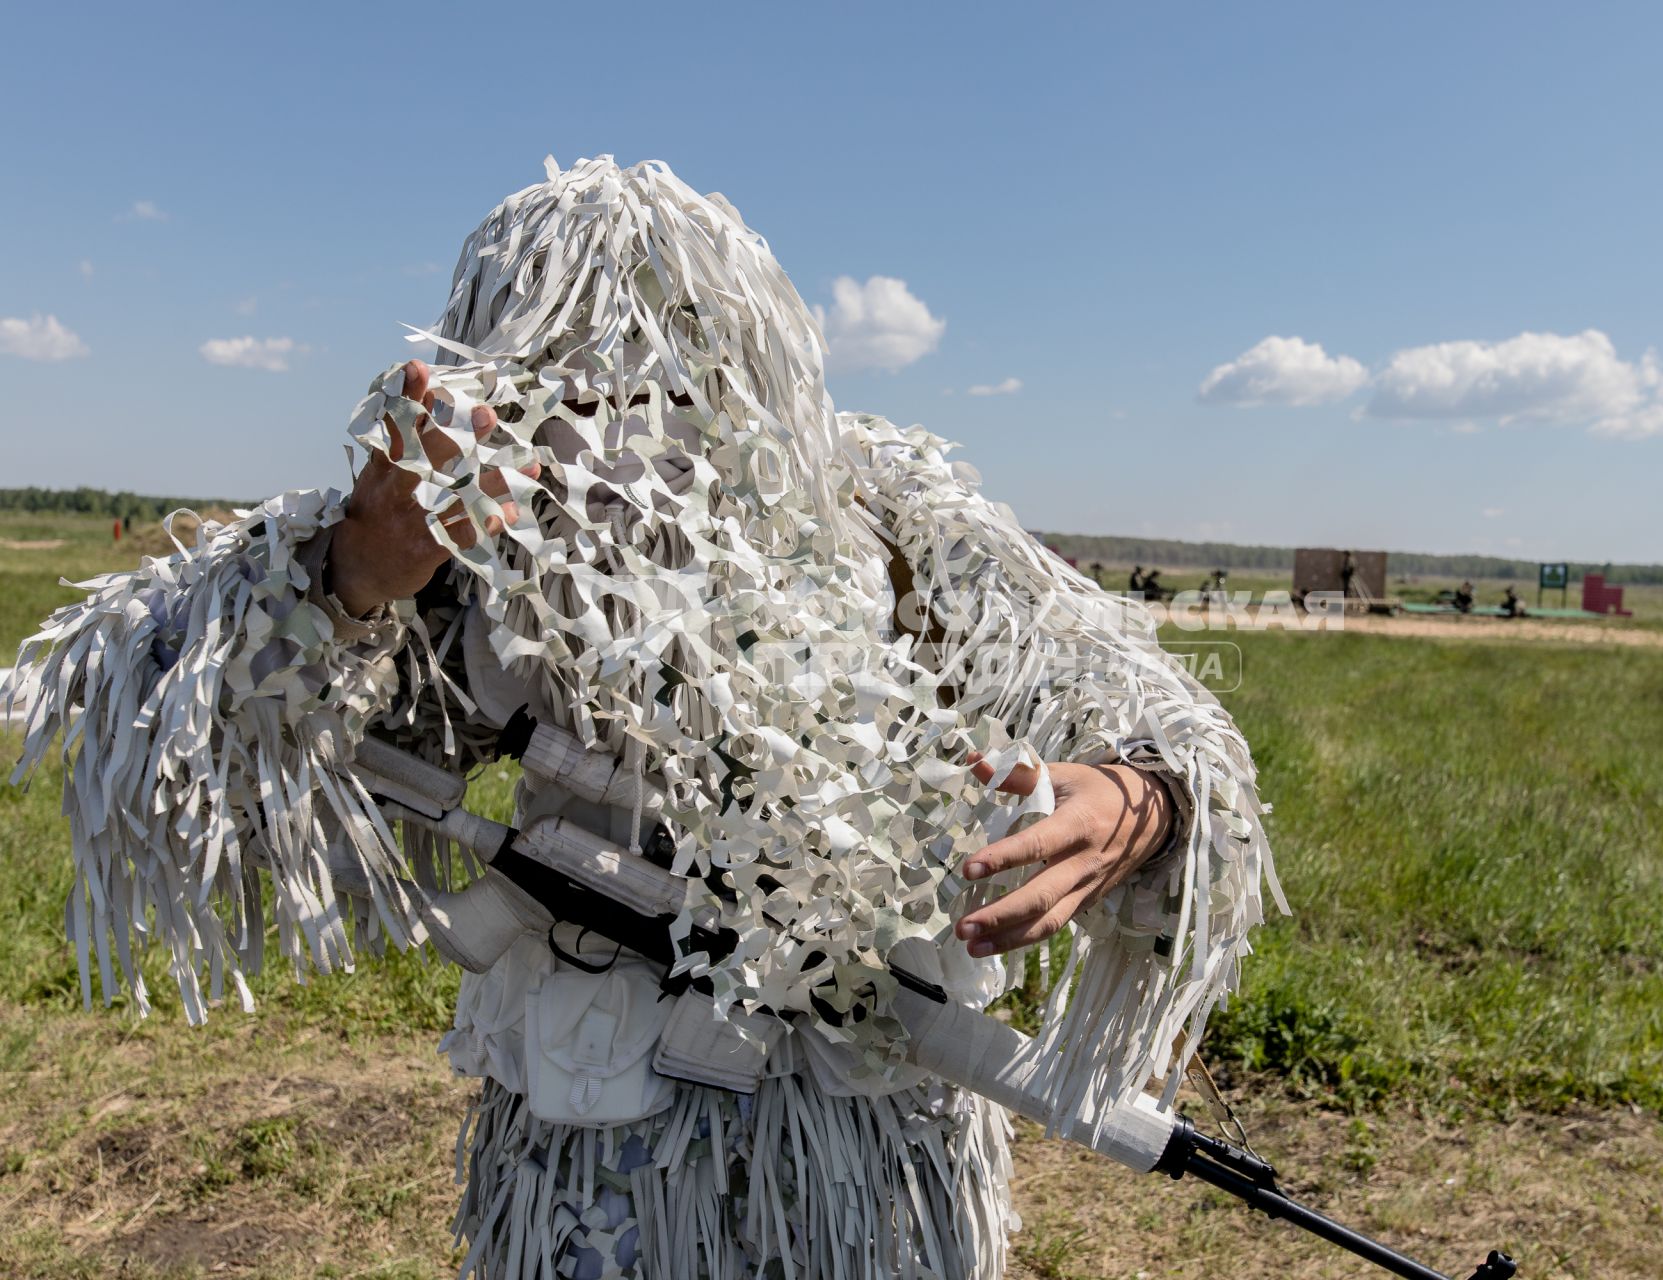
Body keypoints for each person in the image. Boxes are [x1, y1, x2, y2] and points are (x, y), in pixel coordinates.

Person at [12, 157, 1276, 1280]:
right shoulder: (439, 538)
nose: (621, 410)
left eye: (668, 363)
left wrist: (1141, 799)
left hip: (863, 1161)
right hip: (585, 1157)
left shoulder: (894, 522)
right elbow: (156, 710)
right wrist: (350, 582)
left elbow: (1154, 716)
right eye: (572, 371)